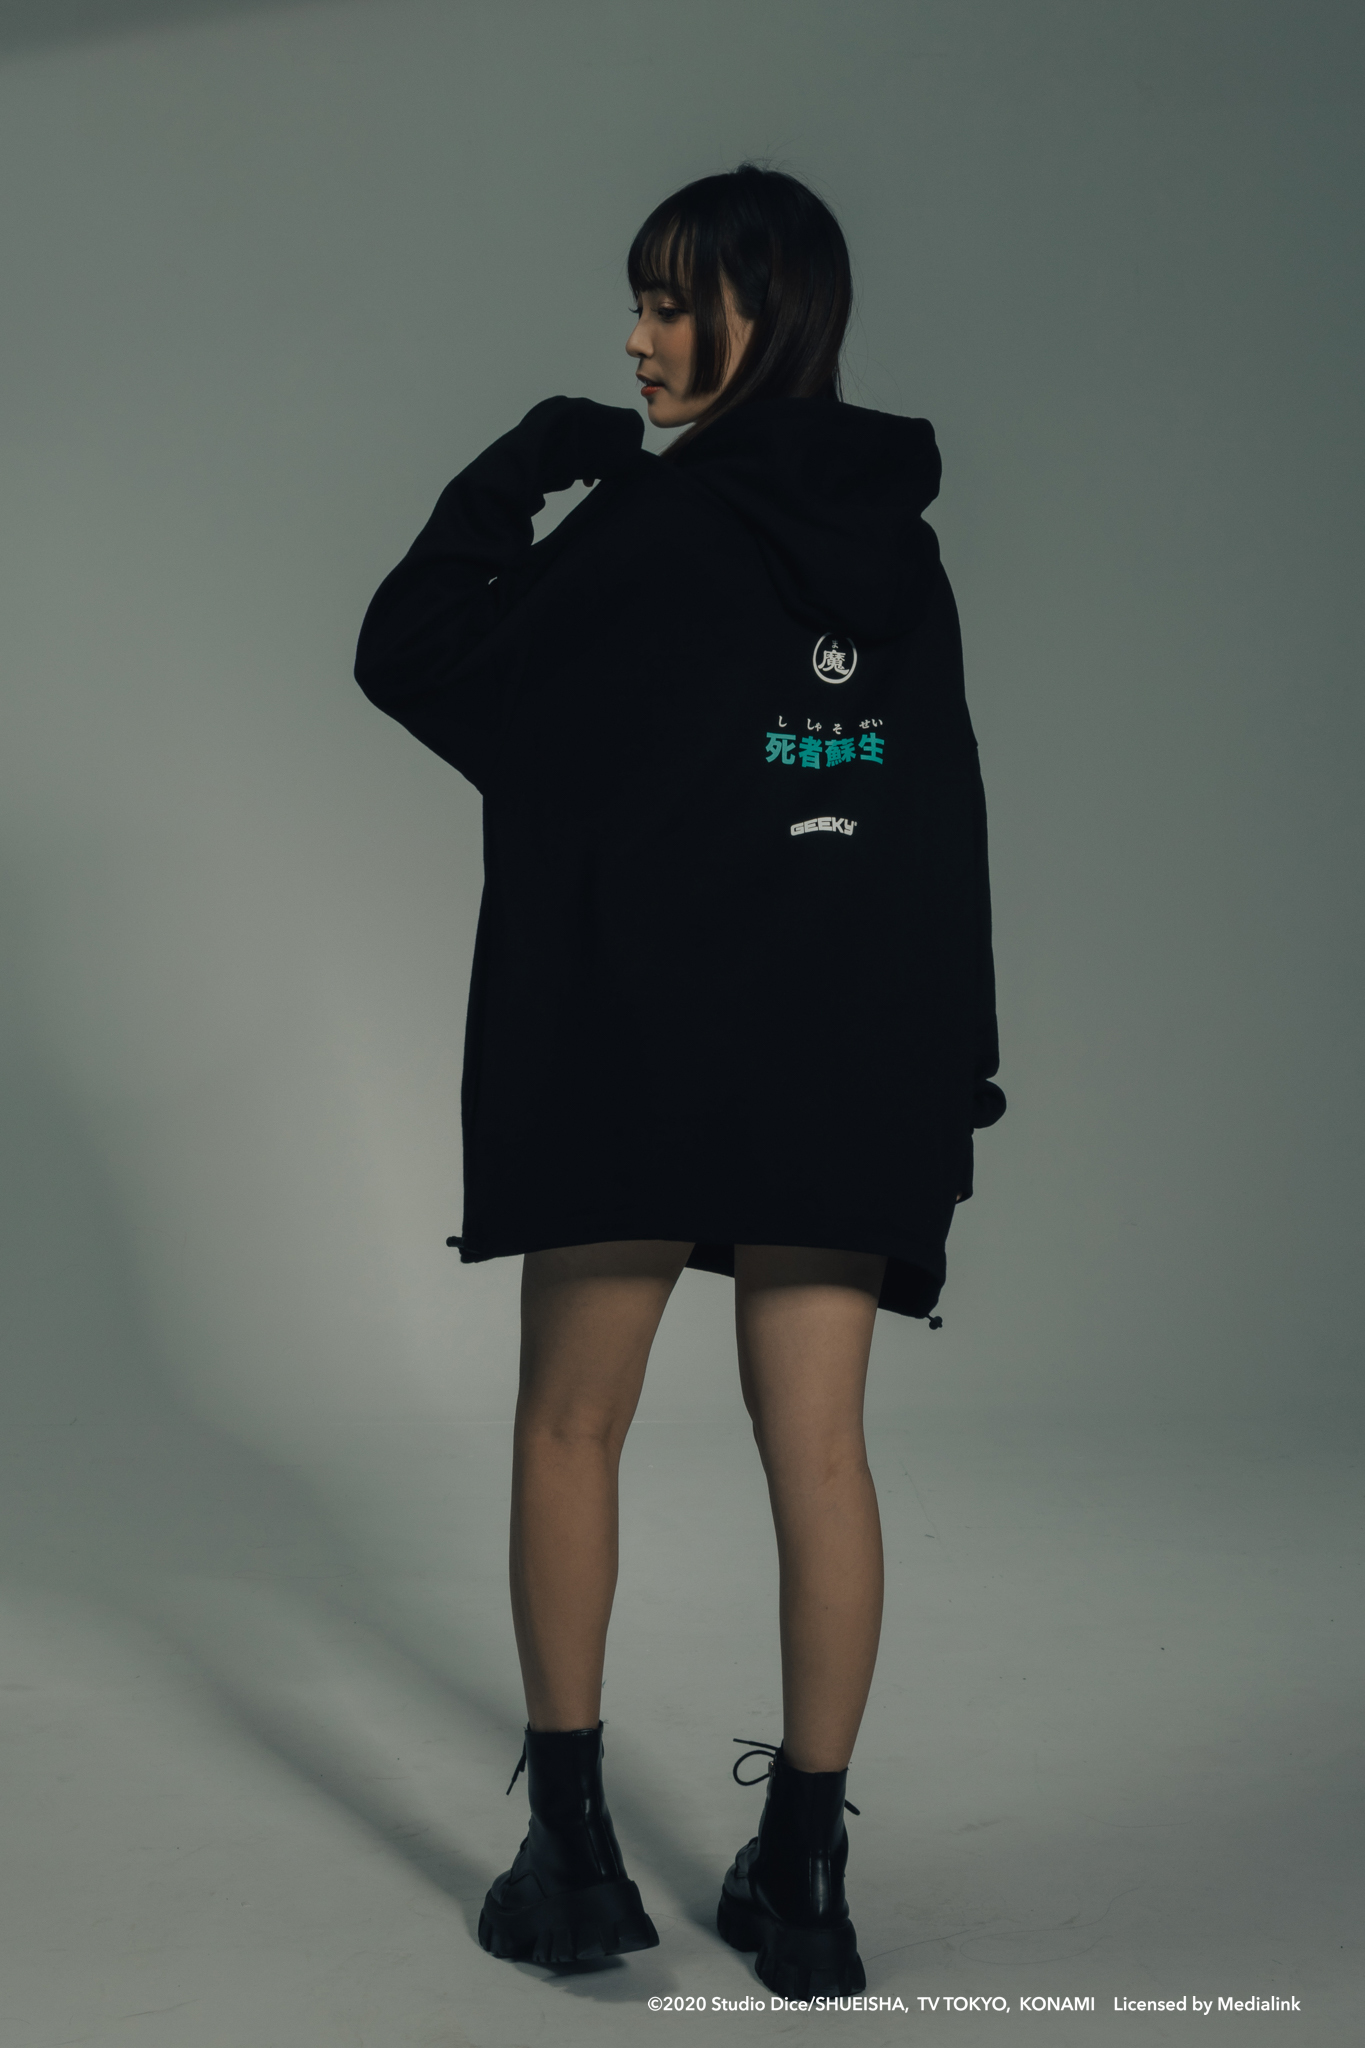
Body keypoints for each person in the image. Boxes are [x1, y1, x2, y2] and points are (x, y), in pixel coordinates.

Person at [354, 162, 1005, 1999]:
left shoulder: (643, 531)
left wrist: (519, 471)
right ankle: (806, 1877)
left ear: (760, 312)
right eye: (634, 303)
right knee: (822, 1447)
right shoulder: (902, 555)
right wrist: (949, 1068)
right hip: (845, 1062)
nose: (637, 340)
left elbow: (412, 653)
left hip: (632, 1051)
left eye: (669, 303)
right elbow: (936, 817)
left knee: (571, 1425)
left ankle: (570, 1862)